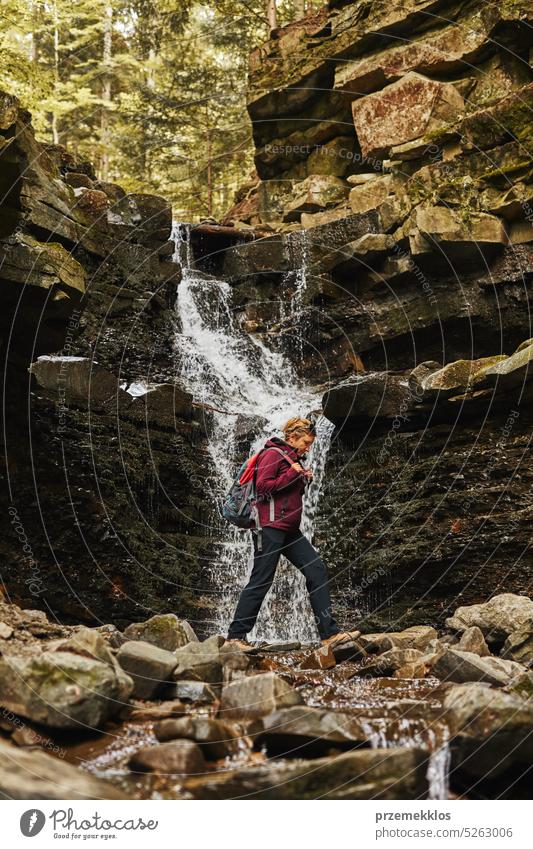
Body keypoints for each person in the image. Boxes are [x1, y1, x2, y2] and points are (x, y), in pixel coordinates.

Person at [227, 416, 358, 648]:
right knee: (261, 580)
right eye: (306, 442)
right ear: (292, 437)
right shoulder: (272, 454)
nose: (308, 447)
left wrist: (302, 479)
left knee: (316, 569)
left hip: (288, 530)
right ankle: (236, 637)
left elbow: (286, 495)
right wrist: (292, 474)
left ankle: (329, 634)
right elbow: (263, 488)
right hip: (269, 528)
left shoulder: (291, 459)